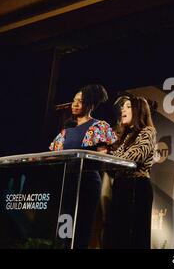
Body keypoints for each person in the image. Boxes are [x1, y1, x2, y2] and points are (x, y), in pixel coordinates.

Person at [49, 84, 117, 249]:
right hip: (67, 182)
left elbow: (103, 155)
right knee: (64, 227)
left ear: (90, 105)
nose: (75, 104)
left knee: (81, 228)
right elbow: (53, 155)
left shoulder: (99, 126)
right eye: (74, 100)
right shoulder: (67, 130)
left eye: (80, 101)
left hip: (87, 182)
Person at [104, 94, 157, 249]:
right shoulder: (125, 136)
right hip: (121, 187)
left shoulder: (148, 131)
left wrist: (109, 155)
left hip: (137, 187)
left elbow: (134, 157)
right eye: (122, 107)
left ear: (138, 110)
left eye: (128, 106)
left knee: (134, 237)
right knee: (117, 236)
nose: (122, 110)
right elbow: (113, 166)